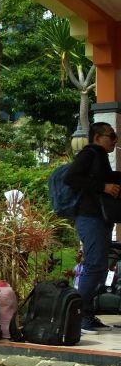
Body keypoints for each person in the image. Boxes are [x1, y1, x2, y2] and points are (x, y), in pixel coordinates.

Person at [64, 121, 121, 332]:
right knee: (95, 266)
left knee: (99, 267)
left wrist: (109, 181)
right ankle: (78, 316)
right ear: (97, 137)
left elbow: (104, 178)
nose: (115, 140)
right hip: (89, 218)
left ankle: (86, 314)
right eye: (111, 135)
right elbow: (72, 178)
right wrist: (103, 186)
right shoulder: (89, 153)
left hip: (100, 218)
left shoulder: (101, 157)